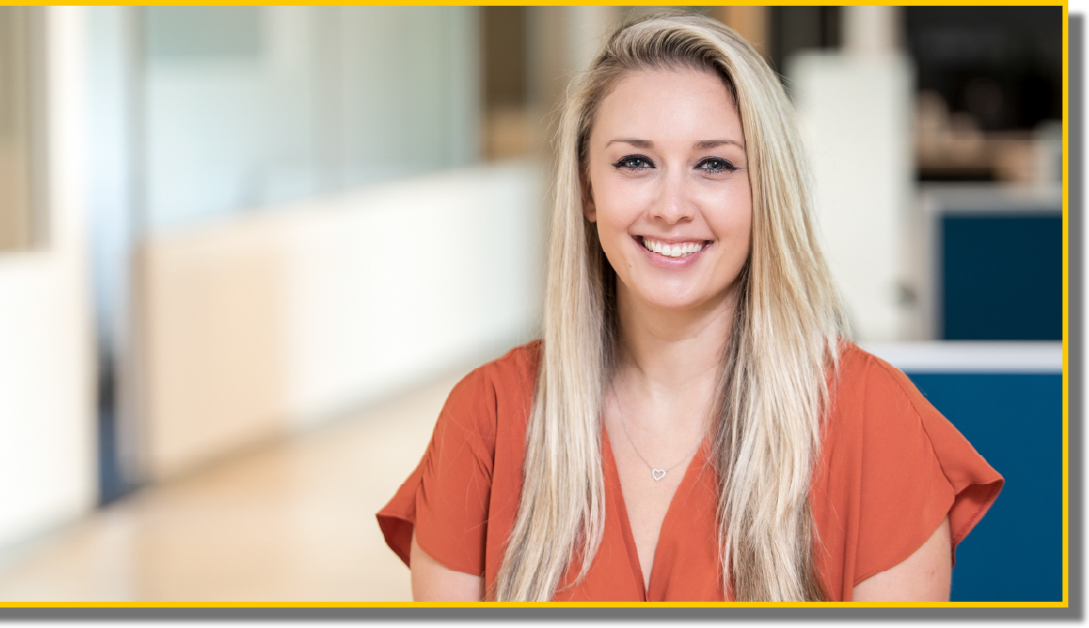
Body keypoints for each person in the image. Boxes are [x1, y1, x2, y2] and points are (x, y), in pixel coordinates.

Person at [376, 13, 1003, 602]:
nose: (671, 206)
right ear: (588, 189)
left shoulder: (873, 422)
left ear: (766, 191)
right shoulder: (485, 421)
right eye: (635, 162)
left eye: (714, 164)